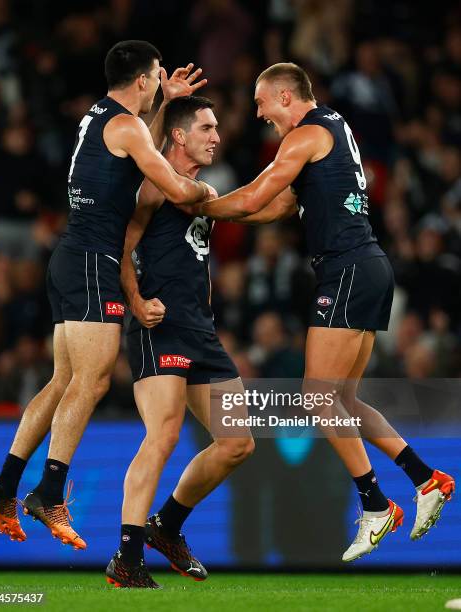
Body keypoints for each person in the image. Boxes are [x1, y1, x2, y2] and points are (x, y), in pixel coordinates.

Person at [177, 63, 455, 562]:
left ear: (285, 96)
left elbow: (259, 195)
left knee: (316, 398)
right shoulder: (333, 127)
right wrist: (220, 212)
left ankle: (374, 503)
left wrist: (194, 203)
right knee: (342, 398)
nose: (260, 114)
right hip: (366, 267)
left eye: (262, 104)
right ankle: (425, 477)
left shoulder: (304, 135)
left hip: (347, 269)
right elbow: (280, 207)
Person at [0, 40, 212, 552]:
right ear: (145, 80)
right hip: (92, 262)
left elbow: (138, 149)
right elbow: (174, 187)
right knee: (92, 378)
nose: (158, 86)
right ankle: (49, 491)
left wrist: (168, 103)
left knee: (65, 379)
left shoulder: (105, 118)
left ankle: (4, 484)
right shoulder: (127, 126)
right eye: (156, 79)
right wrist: (210, 196)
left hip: (72, 257)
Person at [106, 96, 257, 589]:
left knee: (238, 442)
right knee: (165, 433)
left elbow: (198, 260)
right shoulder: (151, 184)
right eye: (207, 128)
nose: (217, 136)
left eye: (216, 127)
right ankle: (127, 558)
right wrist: (135, 301)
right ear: (178, 135)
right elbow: (122, 249)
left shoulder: (201, 191)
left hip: (198, 328)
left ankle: (166, 526)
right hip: (159, 323)